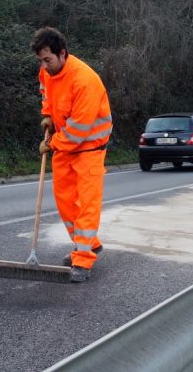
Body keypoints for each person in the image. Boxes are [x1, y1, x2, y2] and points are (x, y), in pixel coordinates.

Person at [32, 27, 112, 283]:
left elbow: (78, 131)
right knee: (65, 201)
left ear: (62, 54)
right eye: (41, 61)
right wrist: (47, 114)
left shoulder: (84, 81)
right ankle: (89, 244)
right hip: (65, 147)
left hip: (88, 149)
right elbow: (47, 93)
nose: (44, 66)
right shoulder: (46, 72)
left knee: (86, 204)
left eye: (48, 60)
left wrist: (52, 143)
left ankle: (83, 259)